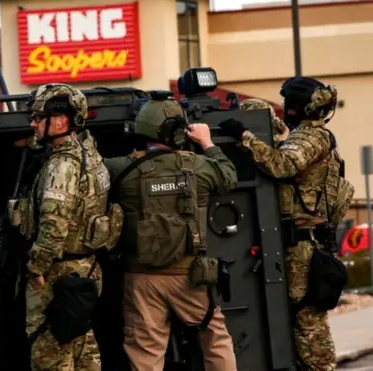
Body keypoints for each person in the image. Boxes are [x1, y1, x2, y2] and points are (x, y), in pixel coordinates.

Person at [219, 77, 354, 371]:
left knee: (306, 319)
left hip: (304, 246)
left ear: (296, 106)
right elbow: (286, 146)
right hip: (305, 242)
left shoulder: (311, 138)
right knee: (296, 318)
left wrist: (244, 135)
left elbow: (283, 164)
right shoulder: (306, 135)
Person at [104, 94, 238, 371]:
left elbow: (92, 174)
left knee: (145, 352)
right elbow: (228, 176)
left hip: (142, 277)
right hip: (192, 275)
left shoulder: (122, 168)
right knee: (215, 339)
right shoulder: (199, 166)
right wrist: (207, 142)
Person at [12, 83, 122, 371]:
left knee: (49, 354)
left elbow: (54, 223)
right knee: (82, 349)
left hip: (57, 273)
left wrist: (36, 267)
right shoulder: (88, 151)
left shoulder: (62, 166)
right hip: (85, 269)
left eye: (38, 118)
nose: (32, 123)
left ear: (60, 120)